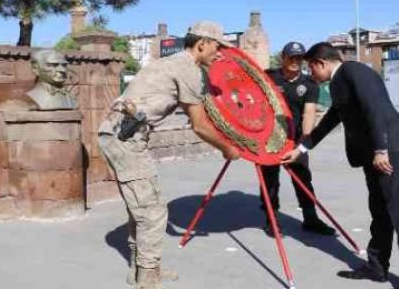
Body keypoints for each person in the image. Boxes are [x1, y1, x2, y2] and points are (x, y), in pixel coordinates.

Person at [97, 21, 241, 289]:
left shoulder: (172, 63)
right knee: (152, 211)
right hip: (126, 139)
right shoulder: (186, 68)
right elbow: (199, 124)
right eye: (217, 47)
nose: (219, 53)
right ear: (202, 44)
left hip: (122, 135)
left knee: (140, 207)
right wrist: (227, 148)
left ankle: (140, 269)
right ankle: (148, 278)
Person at [282, 42, 399, 289]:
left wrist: (380, 149)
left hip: (390, 150)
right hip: (374, 154)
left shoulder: (354, 71)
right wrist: (301, 149)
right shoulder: (339, 81)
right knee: (379, 209)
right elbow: (332, 119)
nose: (311, 74)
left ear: (321, 63)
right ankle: (377, 266)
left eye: (311, 68)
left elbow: (375, 108)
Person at [259, 42, 335, 236]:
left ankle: (311, 219)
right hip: (270, 138)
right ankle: (272, 220)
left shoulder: (309, 83)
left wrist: (304, 142)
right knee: (269, 181)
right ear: (283, 57)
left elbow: (309, 113)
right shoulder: (269, 77)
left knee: (303, 178)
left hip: (295, 139)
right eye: (291, 57)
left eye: (299, 58)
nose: (295, 61)